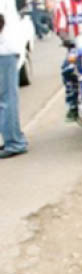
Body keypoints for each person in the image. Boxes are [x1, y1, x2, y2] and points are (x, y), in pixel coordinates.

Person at [0, 4, 29, 159]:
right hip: (8, 49)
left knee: (6, 99)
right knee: (7, 98)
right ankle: (14, 138)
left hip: (4, 50)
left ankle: (14, 143)